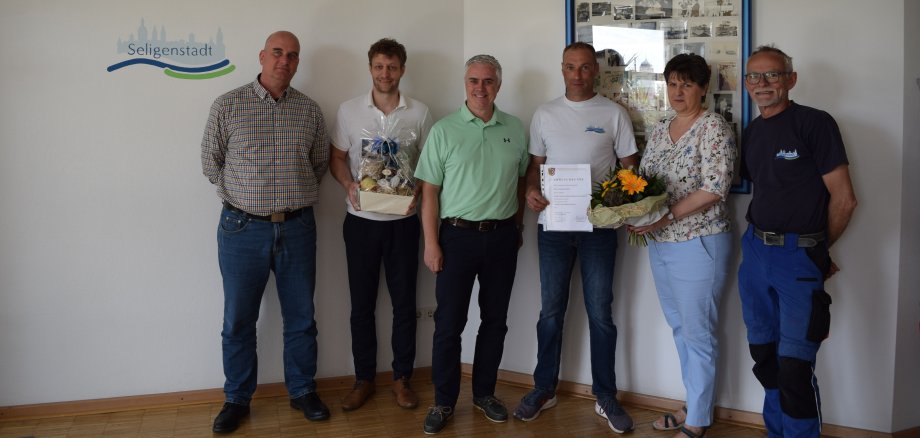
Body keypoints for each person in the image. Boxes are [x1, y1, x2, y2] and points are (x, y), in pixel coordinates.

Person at [200, 31, 331, 433]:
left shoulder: (309, 111)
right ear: (261, 56)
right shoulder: (228, 105)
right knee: (238, 320)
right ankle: (237, 399)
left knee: (302, 318)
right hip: (242, 228)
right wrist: (241, 196)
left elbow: (320, 163)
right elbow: (211, 162)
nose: (284, 61)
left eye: (292, 56)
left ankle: (303, 391)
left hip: (297, 228)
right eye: (277, 53)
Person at [513, 42, 638, 434]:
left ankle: (605, 395)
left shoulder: (614, 113)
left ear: (595, 72)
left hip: (598, 229)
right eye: (571, 67)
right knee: (551, 311)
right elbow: (535, 167)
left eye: (585, 68)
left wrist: (616, 202)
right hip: (553, 228)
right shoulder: (545, 114)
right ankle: (543, 388)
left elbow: (631, 169)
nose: (578, 75)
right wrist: (531, 191)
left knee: (601, 313)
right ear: (562, 69)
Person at [738, 45, 857, 437]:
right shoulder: (753, 131)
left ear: (791, 79)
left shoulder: (815, 124)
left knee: (794, 367)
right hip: (754, 254)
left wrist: (819, 250)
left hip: (797, 260)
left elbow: (844, 199)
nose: (762, 83)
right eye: (754, 76)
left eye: (772, 75)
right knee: (765, 359)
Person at [414, 54, 529, 435]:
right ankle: (443, 402)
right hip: (456, 238)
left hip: (501, 239)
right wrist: (431, 244)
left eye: (489, 81)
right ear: (465, 84)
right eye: (474, 80)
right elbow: (429, 192)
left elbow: (520, 182)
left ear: (499, 84)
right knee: (449, 325)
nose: (481, 88)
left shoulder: (515, 128)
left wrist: (518, 228)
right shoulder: (444, 131)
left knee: (495, 323)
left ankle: (484, 394)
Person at [630, 53, 737, 438]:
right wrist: (629, 210)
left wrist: (667, 216)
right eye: (672, 83)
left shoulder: (714, 129)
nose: (678, 92)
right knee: (680, 328)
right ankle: (694, 403)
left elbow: (715, 188)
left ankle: (698, 421)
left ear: (703, 88)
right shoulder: (661, 128)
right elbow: (645, 182)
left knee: (698, 332)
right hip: (662, 242)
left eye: (686, 84)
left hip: (699, 243)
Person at [329, 38, 433, 412]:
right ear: (370, 69)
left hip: (403, 223)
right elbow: (337, 158)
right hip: (360, 222)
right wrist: (348, 184)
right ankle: (363, 379)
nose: (384, 73)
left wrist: (415, 192)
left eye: (391, 67)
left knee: (405, 305)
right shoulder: (348, 111)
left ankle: (402, 379)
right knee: (361, 305)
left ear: (402, 69)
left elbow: (429, 166)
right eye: (378, 67)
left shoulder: (420, 113)